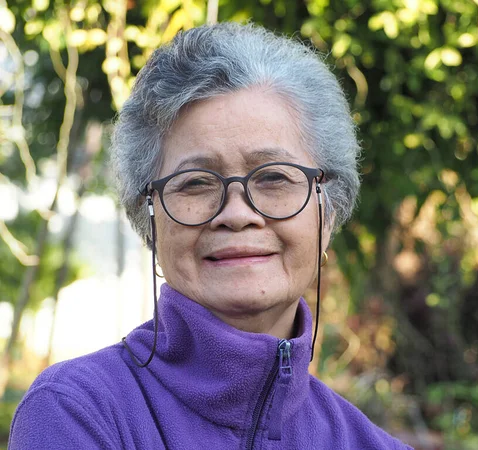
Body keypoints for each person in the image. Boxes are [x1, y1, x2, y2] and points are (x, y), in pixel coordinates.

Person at [9, 22, 411, 450]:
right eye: (195, 183)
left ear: (327, 214)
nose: (237, 214)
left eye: (274, 177)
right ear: (150, 219)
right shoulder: (78, 413)